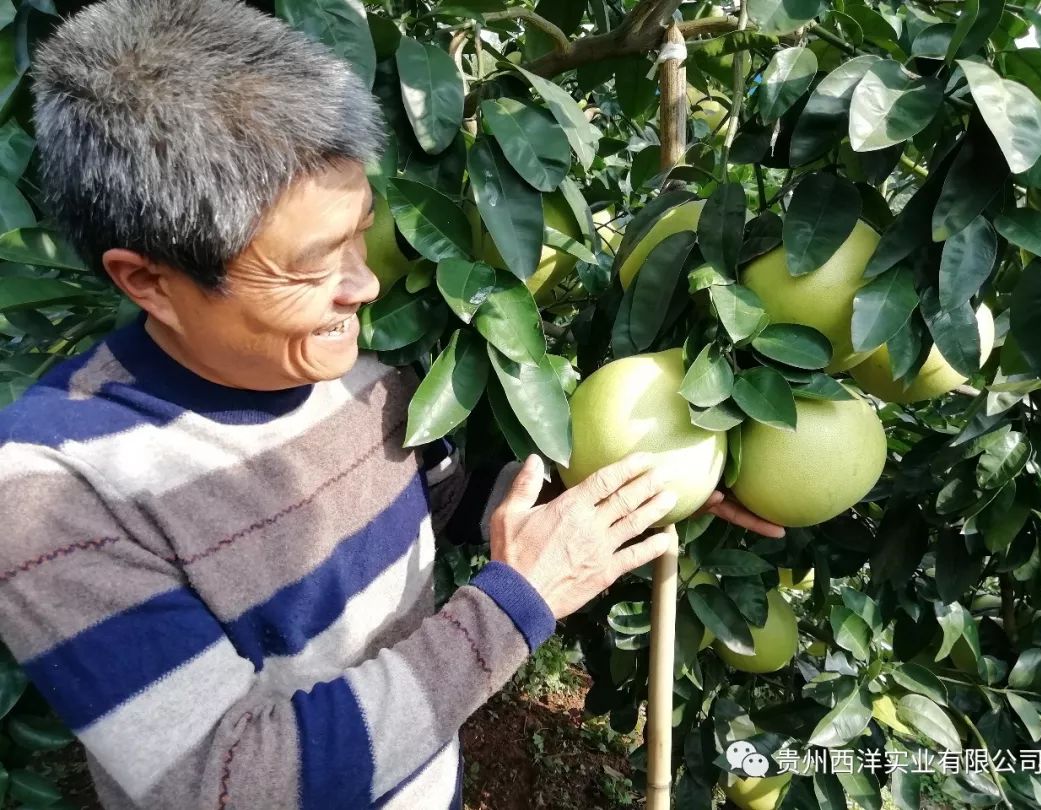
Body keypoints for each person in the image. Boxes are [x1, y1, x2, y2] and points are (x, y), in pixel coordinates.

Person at [0, 1, 783, 808]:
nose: (365, 284)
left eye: (360, 235)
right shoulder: (53, 490)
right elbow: (229, 784)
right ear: (149, 281)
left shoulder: (360, 369)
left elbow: (441, 495)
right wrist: (518, 605)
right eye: (312, 265)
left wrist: (625, 490)